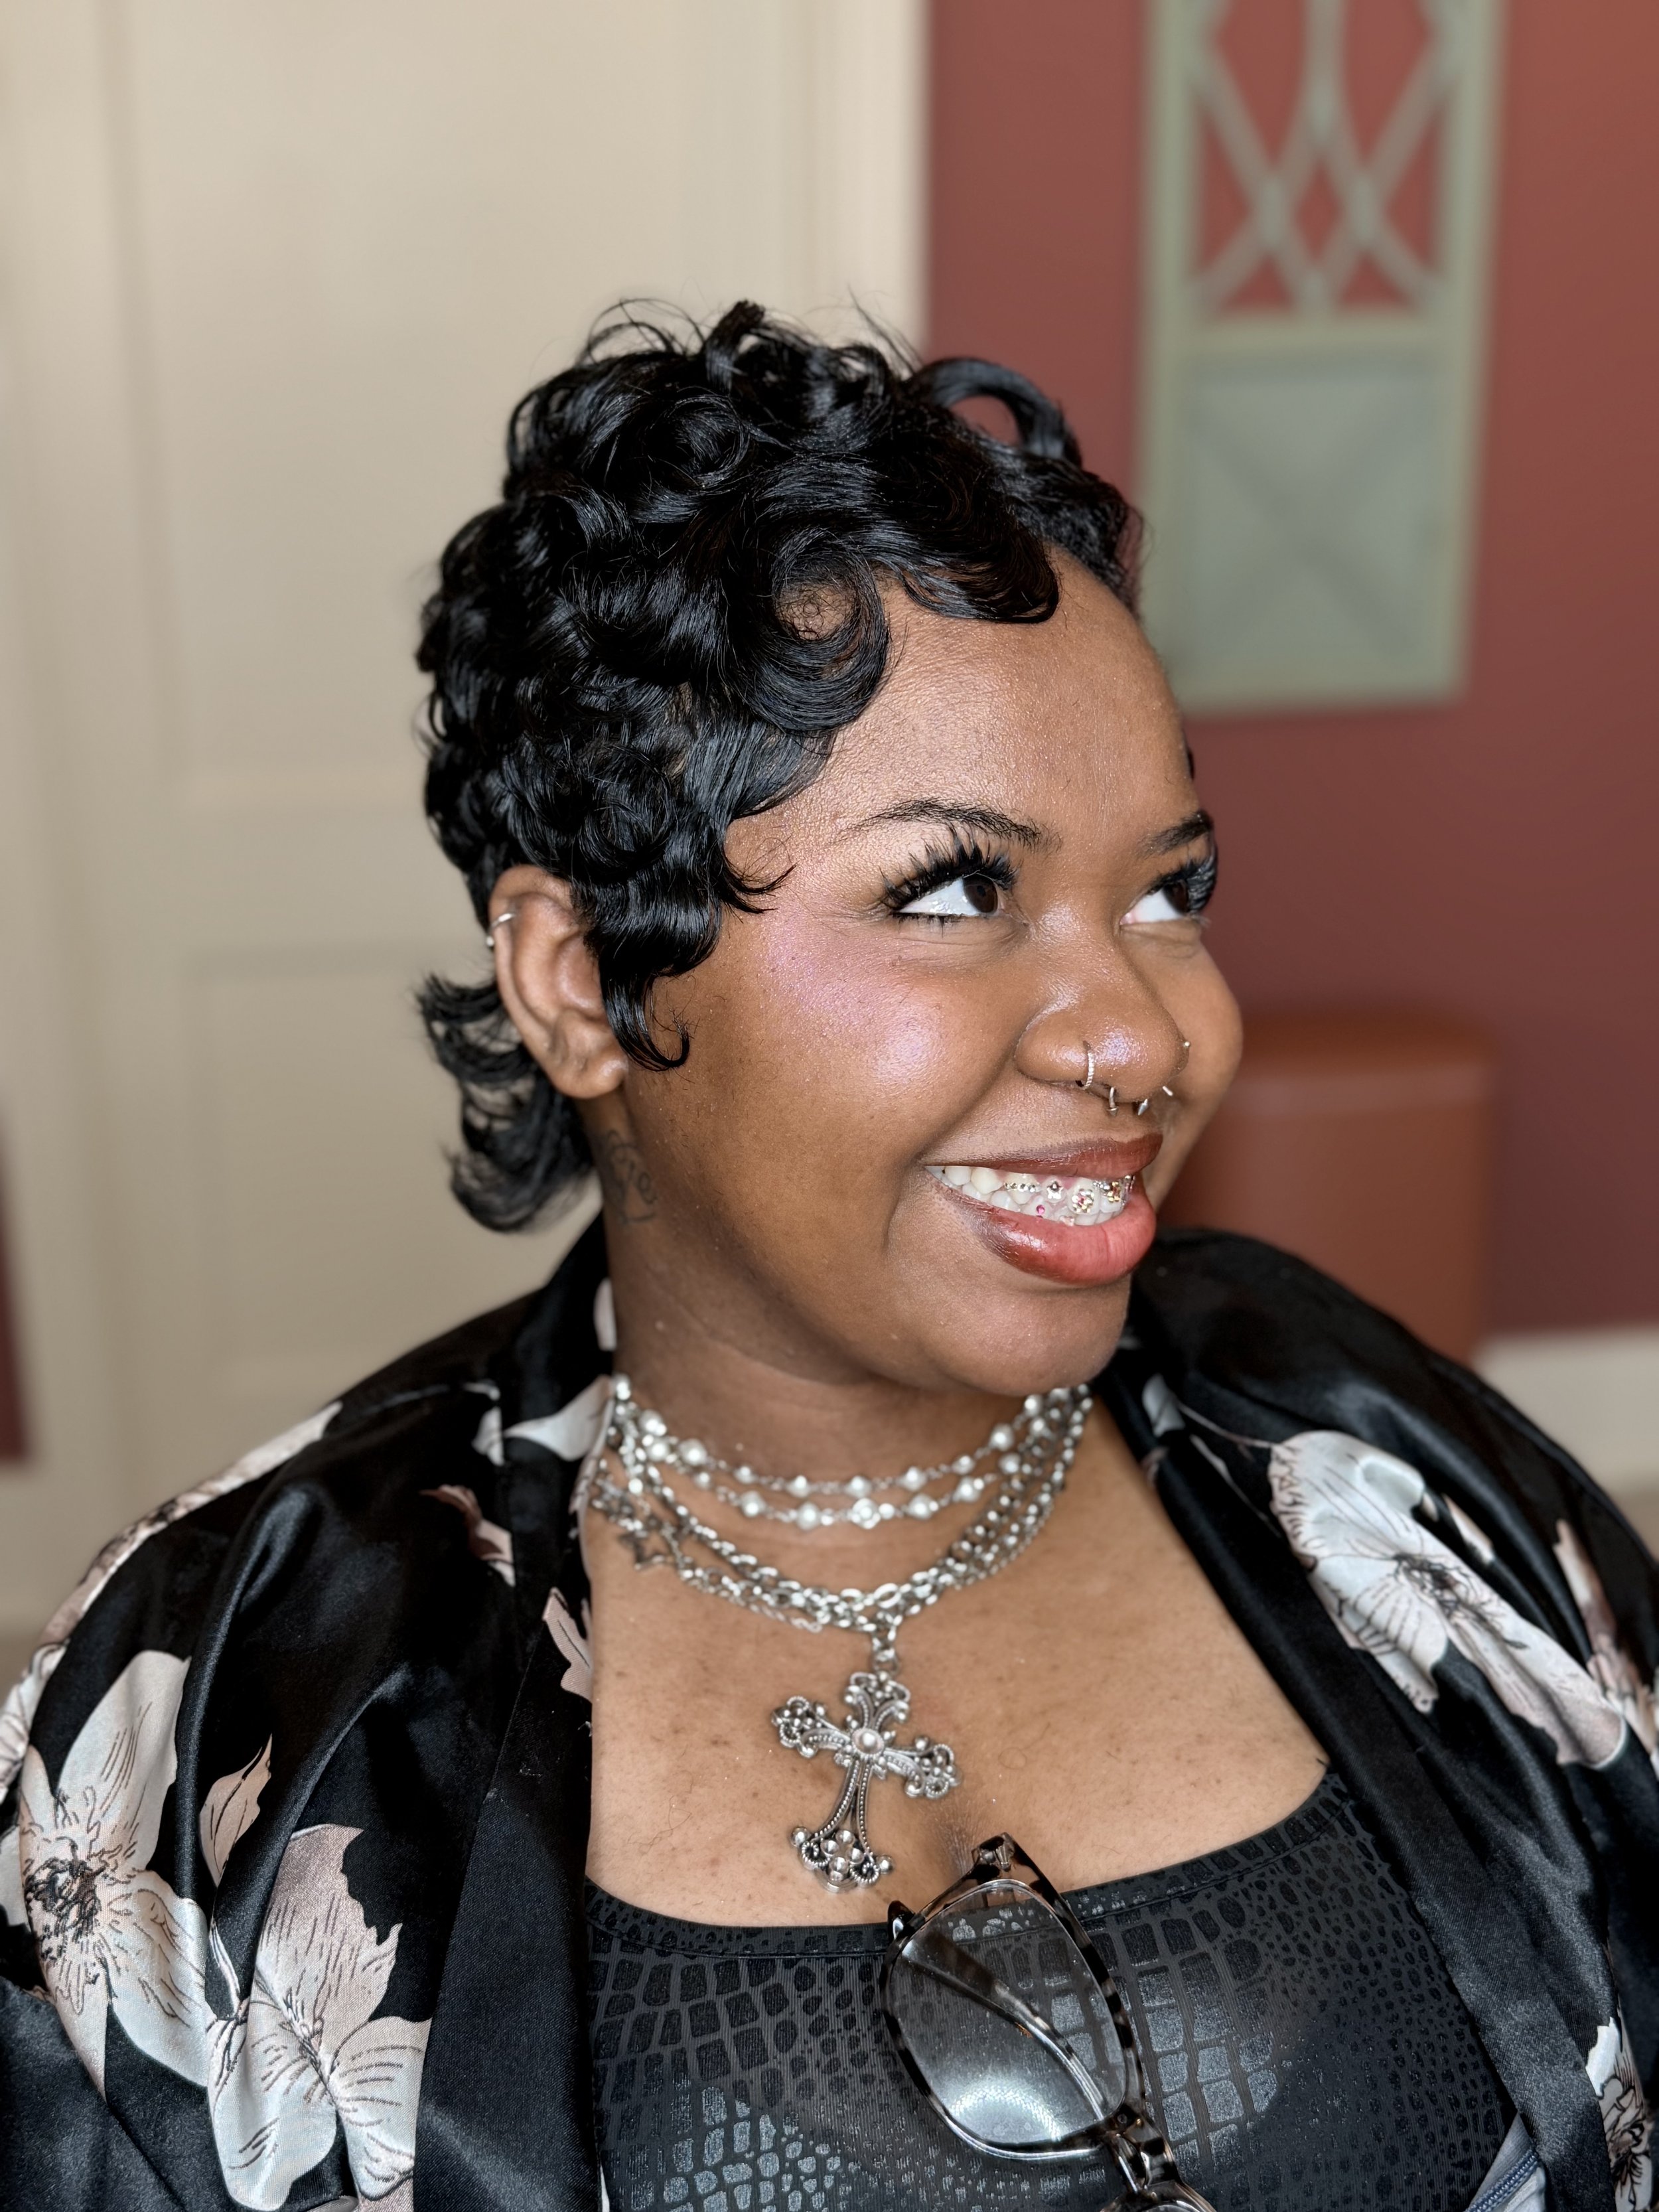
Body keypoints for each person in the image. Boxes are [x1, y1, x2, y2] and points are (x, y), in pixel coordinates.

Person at [0, 305, 1653, 2212]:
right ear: (584, 984)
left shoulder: (1367, 1454)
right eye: (952, 891)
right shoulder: (227, 1682)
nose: (1142, 1037)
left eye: (1168, 890)